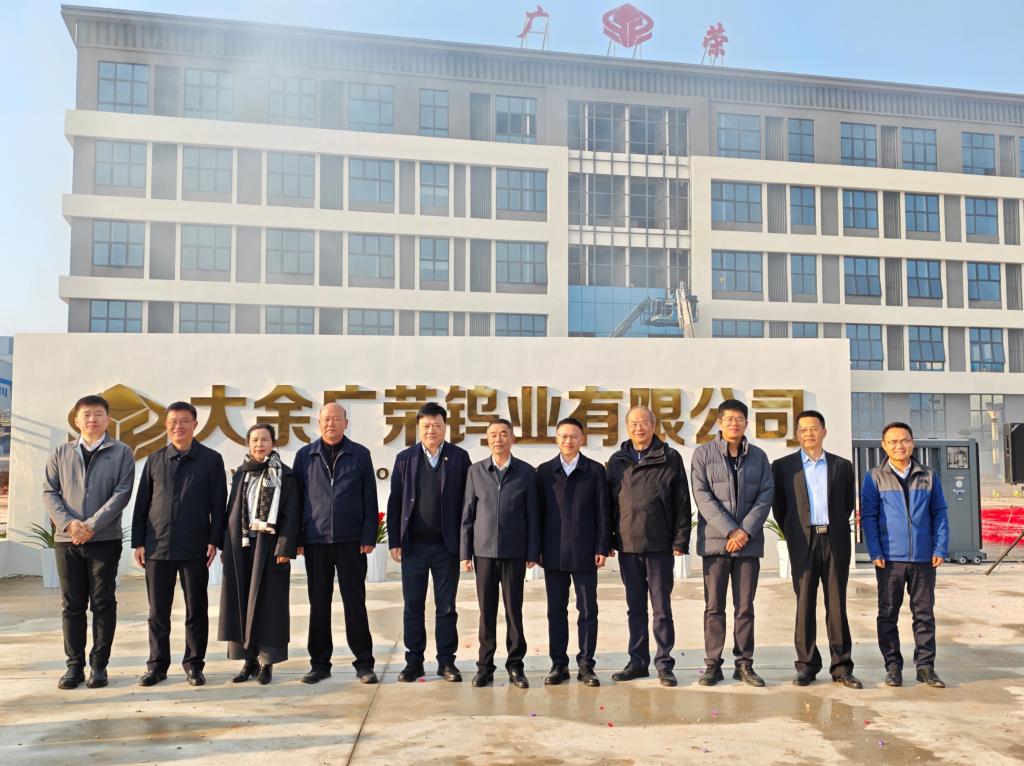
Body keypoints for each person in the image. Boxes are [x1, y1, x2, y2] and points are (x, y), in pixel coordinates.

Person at [132, 401, 227, 687]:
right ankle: (157, 665)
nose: (179, 426)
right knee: (157, 612)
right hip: (157, 547)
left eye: (185, 421)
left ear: (195, 424)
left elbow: (219, 505)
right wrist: (139, 542)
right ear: (166, 425)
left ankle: (194, 665)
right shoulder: (155, 459)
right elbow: (142, 504)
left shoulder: (211, 460)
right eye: (173, 421)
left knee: (196, 610)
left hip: (194, 547)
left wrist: (214, 540)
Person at [43, 394, 135, 690]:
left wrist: (91, 526)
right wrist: (70, 524)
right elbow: (49, 492)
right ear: (76, 420)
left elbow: (122, 494)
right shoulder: (61, 452)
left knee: (103, 603)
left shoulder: (121, 452)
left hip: (104, 540)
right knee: (71, 605)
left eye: (98, 414)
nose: (92, 419)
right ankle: (74, 666)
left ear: (108, 419)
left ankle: (99, 665)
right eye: (86, 414)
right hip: (67, 540)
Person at [771, 410, 862, 688]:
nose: (808, 434)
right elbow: (780, 506)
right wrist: (795, 533)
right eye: (803, 429)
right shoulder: (783, 467)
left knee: (837, 605)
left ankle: (842, 666)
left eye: (814, 428)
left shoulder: (842, 466)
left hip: (835, 540)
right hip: (803, 542)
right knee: (804, 604)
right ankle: (806, 665)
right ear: (797, 434)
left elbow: (847, 504)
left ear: (824, 431)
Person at [293, 402, 379, 685]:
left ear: (346, 423)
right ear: (319, 423)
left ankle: (364, 663)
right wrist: (297, 537)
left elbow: (369, 497)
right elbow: (296, 500)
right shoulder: (305, 456)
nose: (331, 423)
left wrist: (368, 535)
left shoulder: (360, 454)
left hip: (351, 542)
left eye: (336, 419)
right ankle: (319, 664)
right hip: (315, 541)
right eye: (326, 419)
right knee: (319, 603)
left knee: (355, 602)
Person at [606, 406, 691, 687]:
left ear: (654, 426)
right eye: (633, 423)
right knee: (635, 607)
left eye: (644, 423)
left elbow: (682, 501)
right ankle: (638, 661)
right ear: (626, 427)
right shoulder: (617, 460)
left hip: (659, 545)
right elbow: (608, 504)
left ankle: (664, 663)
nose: (639, 428)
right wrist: (607, 541)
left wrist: (680, 540)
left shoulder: (670, 457)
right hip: (628, 545)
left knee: (661, 607)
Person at [690, 398, 773, 687]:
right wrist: (730, 531)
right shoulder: (703, 454)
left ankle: (744, 664)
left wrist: (744, 532)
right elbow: (702, 497)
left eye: (739, 419)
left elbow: (765, 496)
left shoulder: (759, 456)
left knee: (745, 607)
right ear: (720, 423)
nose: (734, 424)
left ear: (747, 423)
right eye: (729, 419)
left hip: (748, 545)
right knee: (714, 607)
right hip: (716, 544)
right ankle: (713, 664)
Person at [386, 403, 471, 683]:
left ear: (445, 427)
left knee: (446, 606)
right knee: (413, 605)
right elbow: (395, 502)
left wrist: (466, 546)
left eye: (436, 425)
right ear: (418, 428)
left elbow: (468, 503)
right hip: (414, 547)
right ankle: (414, 661)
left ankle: (446, 661)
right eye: (426, 426)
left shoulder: (459, 457)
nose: (431, 430)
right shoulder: (405, 458)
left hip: (447, 547)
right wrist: (395, 540)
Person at [861, 421, 949, 689]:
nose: (899, 446)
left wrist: (940, 547)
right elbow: (869, 516)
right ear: (883, 445)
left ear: (912, 443)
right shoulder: (874, 477)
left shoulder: (928, 476)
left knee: (924, 614)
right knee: (888, 614)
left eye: (904, 440)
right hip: (889, 559)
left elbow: (940, 513)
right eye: (893, 441)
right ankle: (893, 666)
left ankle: (925, 667)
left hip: (924, 558)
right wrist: (875, 550)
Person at [218, 424, 300, 685]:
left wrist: (285, 548)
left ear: (273, 443)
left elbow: (292, 514)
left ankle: (267, 662)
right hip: (241, 547)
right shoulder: (241, 474)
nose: (259, 444)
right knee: (240, 602)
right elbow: (231, 511)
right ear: (248, 444)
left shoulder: (284, 474)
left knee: (269, 605)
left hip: (270, 548)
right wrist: (225, 545)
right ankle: (248, 660)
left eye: (264, 439)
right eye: (254, 440)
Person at [461, 418, 540, 689]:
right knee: (486, 612)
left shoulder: (526, 472)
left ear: (512, 439)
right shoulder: (476, 471)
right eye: (493, 434)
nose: (498, 439)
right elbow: (467, 514)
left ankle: (515, 665)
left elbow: (533, 516)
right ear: (487, 439)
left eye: (504, 434)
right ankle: (485, 666)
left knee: (513, 610)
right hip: (483, 552)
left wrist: (532, 552)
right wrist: (465, 553)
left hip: (514, 552)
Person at [536, 417, 611, 687]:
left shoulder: (594, 470)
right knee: (556, 611)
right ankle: (558, 664)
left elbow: (603, 512)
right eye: (564, 436)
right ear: (556, 439)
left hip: (585, 551)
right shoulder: (544, 471)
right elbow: (537, 513)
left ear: (582, 439)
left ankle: (586, 664)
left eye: (574, 436)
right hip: (553, 552)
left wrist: (602, 546)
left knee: (588, 610)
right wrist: (537, 549)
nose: (569, 441)